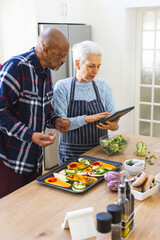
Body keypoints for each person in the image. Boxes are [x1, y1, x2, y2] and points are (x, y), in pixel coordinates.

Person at [0, 27, 70, 198]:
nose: (64, 60)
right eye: (61, 55)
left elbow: (45, 107)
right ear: (46, 51)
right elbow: (1, 111)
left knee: (32, 208)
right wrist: (30, 135)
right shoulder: (16, 67)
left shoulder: (46, 70)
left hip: (35, 160)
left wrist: (55, 120)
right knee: (11, 214)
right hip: (11, 160)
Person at [52, 40, 120, 165]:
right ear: (77, 64)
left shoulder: (103, 85)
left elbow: (113, 117)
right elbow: (61, 125)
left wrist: (114, 126)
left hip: (100, 152)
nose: (95, 71)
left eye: (98, 66)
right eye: (91, 66)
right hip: (71, 155)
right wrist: (86, 119)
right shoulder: (63, 87)